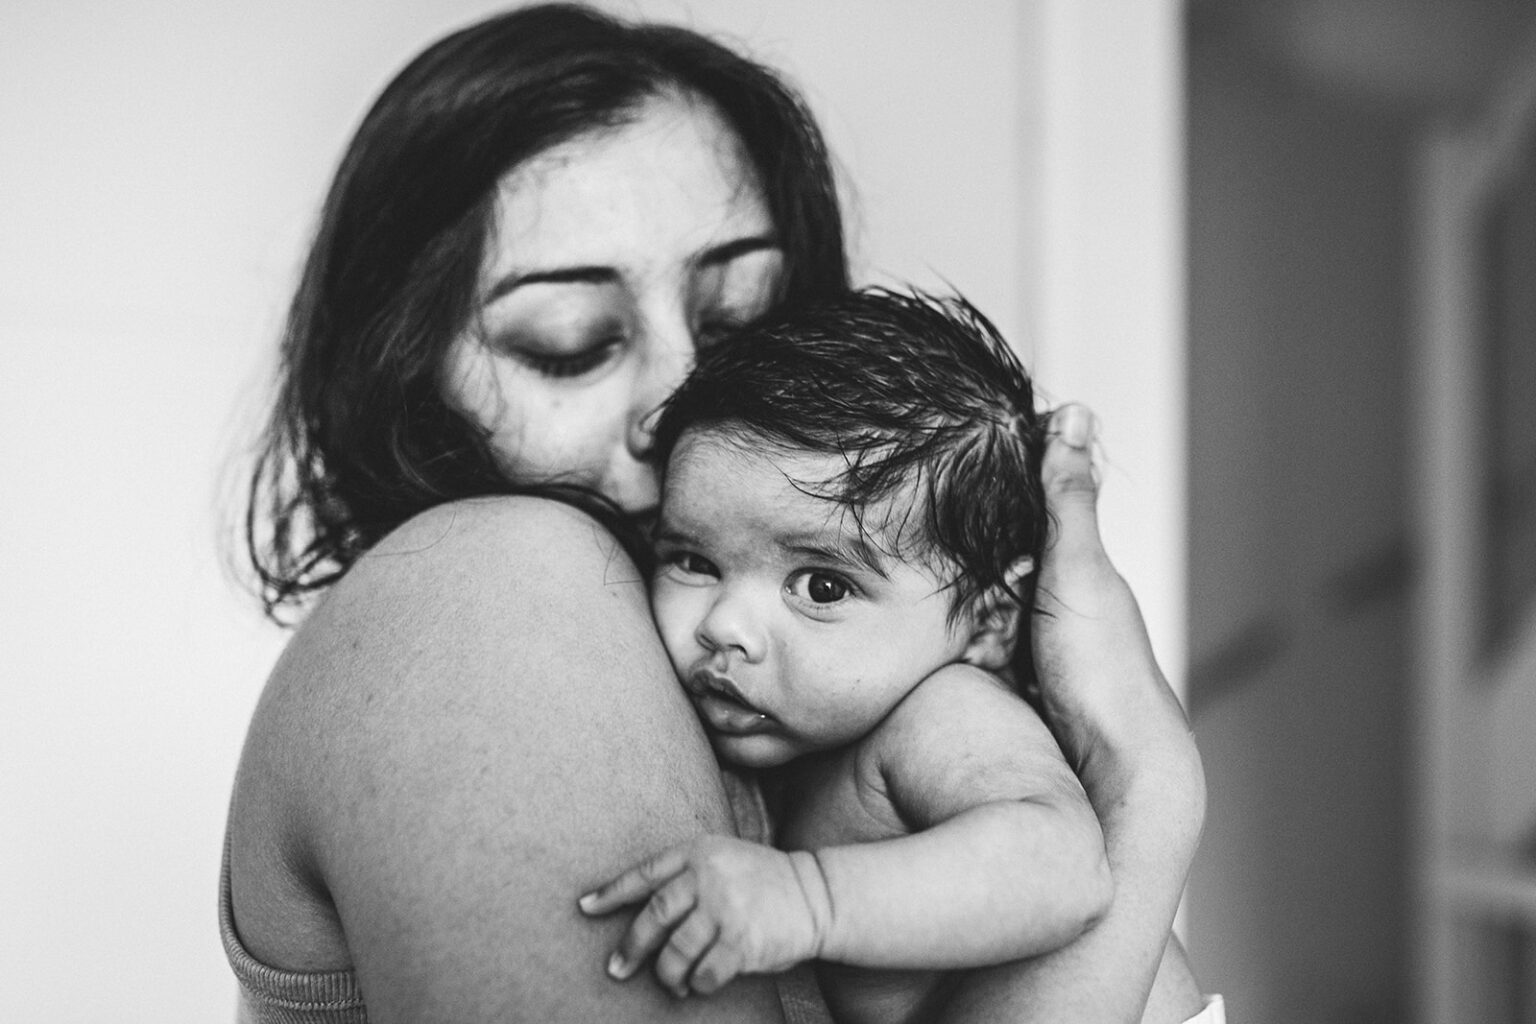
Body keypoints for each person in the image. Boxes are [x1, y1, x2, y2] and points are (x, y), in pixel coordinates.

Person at [223, 5, 1207, 1023]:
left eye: (738, 324)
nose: (678, 404)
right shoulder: (496, 585)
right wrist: (1147, 780)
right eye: (572, 342)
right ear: (403, 379)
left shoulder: (862, 712)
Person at [577, 288, 1108, 1024]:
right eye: (694, 560)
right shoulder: (798, 725)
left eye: (821, 586)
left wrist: (808, 899)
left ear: (988, 623)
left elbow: (1064, 868)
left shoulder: (947, 713)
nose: (725, 626)